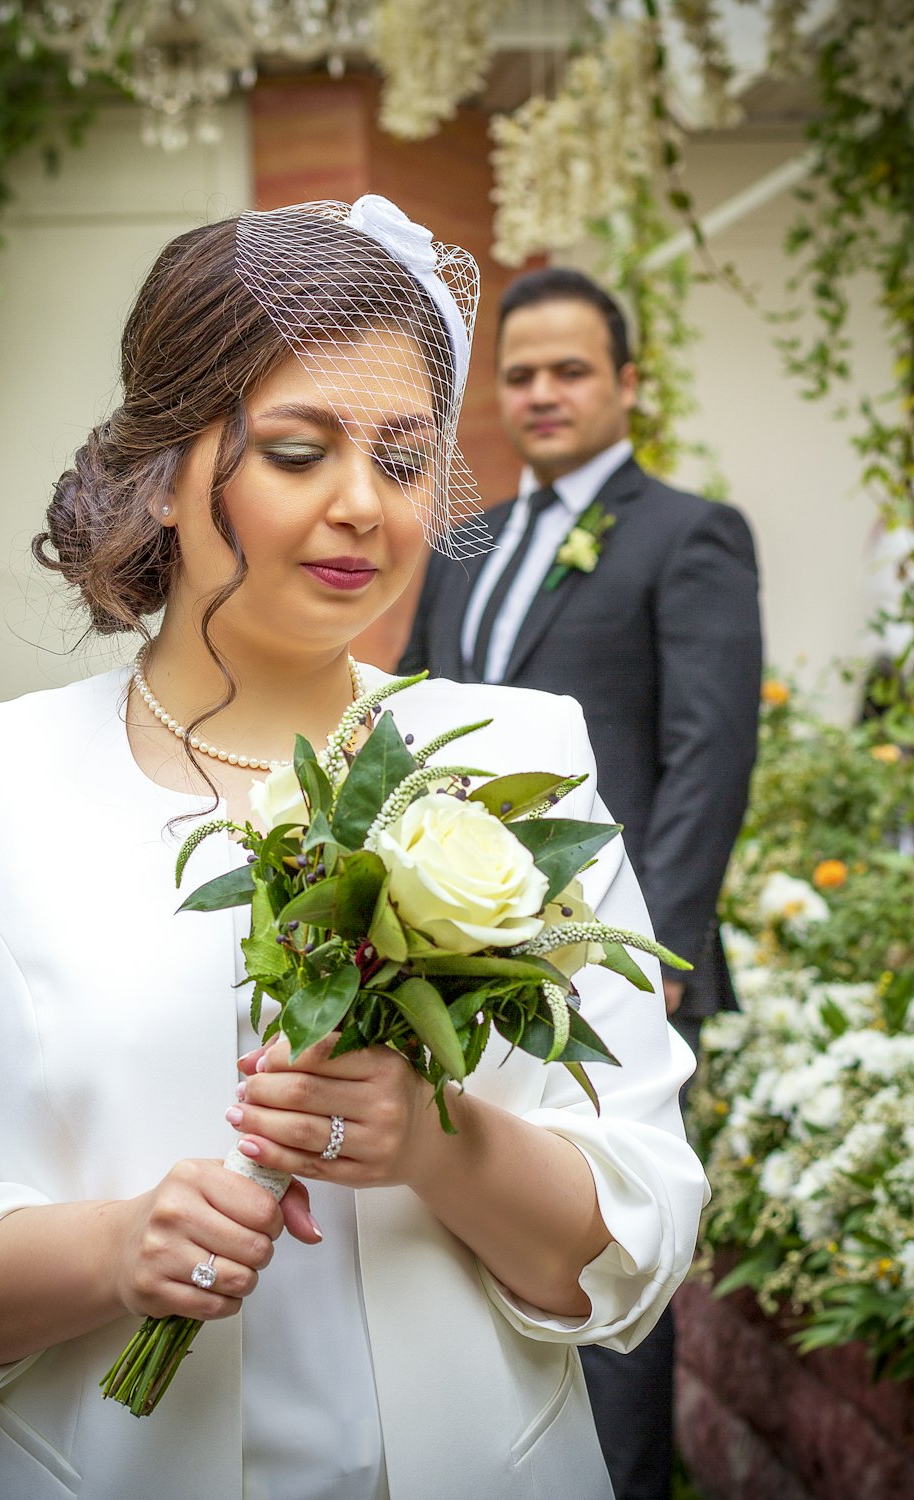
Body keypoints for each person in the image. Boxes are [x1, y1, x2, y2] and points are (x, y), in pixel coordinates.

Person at [0, 200, 708, 1500]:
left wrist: (442, 1145)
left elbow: (638, 1240)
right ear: (161, 467)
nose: (363, 506)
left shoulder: (521, 765)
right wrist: (114, 1251)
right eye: (296, 450)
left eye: (403, 462)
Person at [400, 265, 763, 1500]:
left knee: (611, 1245)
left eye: (569, 371)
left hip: (613, 969)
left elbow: (708, 754)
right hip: (461, 952)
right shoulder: (471, 542)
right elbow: (407, 720)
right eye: (520, 375)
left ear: (626, 385)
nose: (542, 395)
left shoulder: (689, 533)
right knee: (490, 1228)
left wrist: (646, 960)